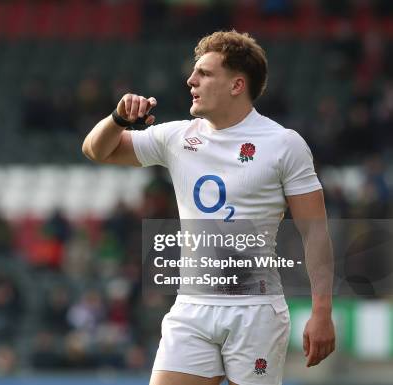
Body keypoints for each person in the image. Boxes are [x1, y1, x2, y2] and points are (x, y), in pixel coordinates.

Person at [82, 30, 335, 385]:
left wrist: (321, 311)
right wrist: (118, 119)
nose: (191, 80)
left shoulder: (283, 144)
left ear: (236, 85)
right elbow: (96, 150)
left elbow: (315, 233)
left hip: (255, 311)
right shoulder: (177, 137)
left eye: (204, 73)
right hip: (192, 307)